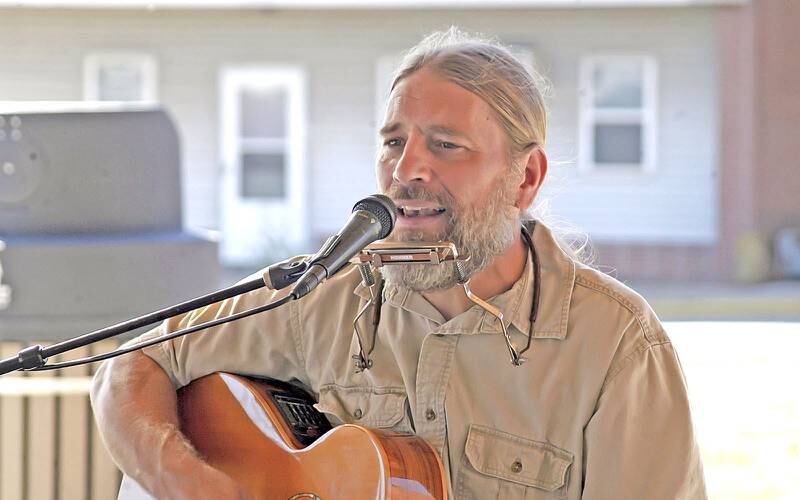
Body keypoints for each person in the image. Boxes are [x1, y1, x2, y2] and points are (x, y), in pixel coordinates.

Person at [91, 28, 707, 499]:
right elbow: (132, 363)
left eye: (445, 144)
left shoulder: (617, 345)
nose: (407, 169)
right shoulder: (322, 294)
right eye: (393, 142)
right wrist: (189, 483)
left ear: (527, 178)